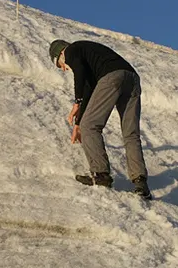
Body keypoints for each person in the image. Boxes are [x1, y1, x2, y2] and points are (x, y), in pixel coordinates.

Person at [49, 39, 152, 200]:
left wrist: (77, 102)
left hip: (112, 78)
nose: (63, 69)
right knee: (131, 133)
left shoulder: (72, 50)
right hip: (132, 79)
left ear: (61, 53)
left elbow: (80, 74)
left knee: (90, 126)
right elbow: (88, 91)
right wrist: (77, 124)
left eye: (60, 64)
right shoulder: (88, 57)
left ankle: (101, 175)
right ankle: (140, 182)